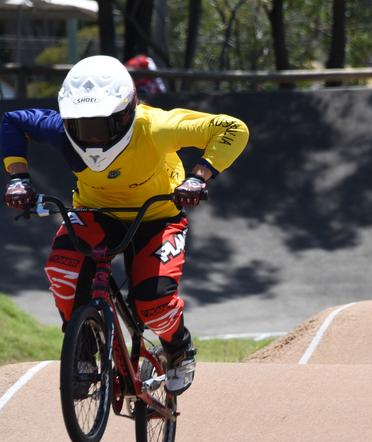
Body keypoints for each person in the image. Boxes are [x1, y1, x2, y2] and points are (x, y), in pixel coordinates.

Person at [1, 55, 249, 394]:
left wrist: (198, 177)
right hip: (95, 212)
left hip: (158, 215)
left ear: (128, 112)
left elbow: (233, 128)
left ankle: (178, 347)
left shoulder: (156, 126)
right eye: (80, 125)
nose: (91, 137)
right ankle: (84, 349)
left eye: (102, 125)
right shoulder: (59, 129)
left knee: (155, 305)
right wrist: (18, 179)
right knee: (62, 271)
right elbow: (13, 122)